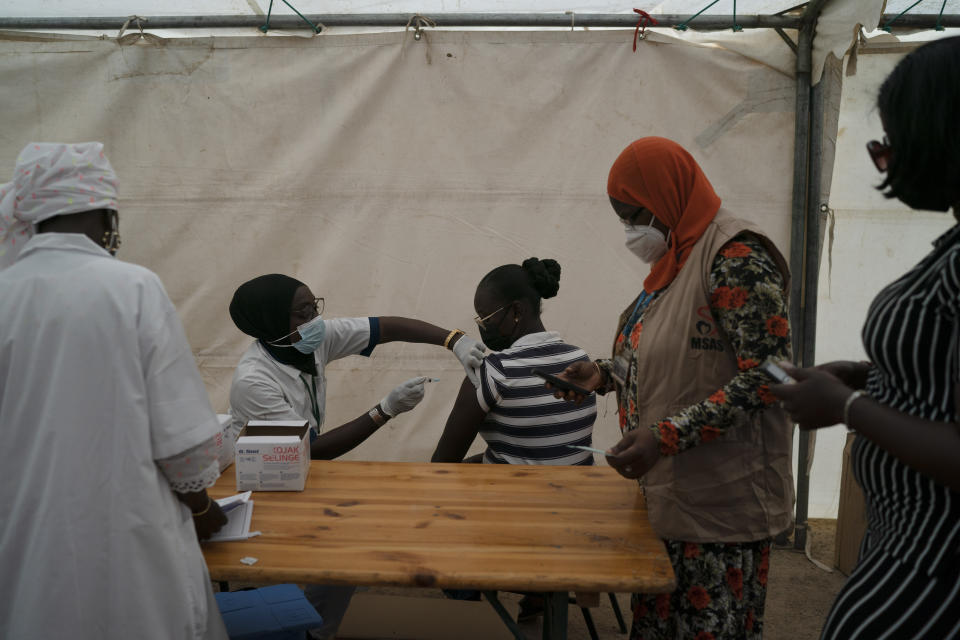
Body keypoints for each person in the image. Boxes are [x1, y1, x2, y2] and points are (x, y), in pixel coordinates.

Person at [554, 137, 794, 639]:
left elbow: (770, 378)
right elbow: (666, 357)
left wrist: (665, 436)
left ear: (666, 197)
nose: (629, 230)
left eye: (634, 215)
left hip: (719, 510)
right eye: (621, 218)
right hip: (671, 499)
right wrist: (601, 375)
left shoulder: (737, 257)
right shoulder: (676, 263)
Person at [771, 37, 960, 640]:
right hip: (907, 549)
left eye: (891, 140)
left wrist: (849, 407)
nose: (883, 158)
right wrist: (870, 377)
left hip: (937, 576)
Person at [0, 143, 228, 639]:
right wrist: (204, 508)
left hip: (26, 537)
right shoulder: (132, 287)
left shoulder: (5, 292)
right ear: (108, 214)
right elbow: (182, 443)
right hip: (127, 534)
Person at [227, 274, 485, 639]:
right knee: (340, 552)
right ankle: (311, 629)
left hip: (299, 471)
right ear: (270, 321)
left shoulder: (306, 340)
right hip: (266, 484)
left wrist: (453, 340)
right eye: (302, 311)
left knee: (346, 551)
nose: (315, 319)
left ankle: (314, 625)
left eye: (314, 306)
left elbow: (385, 327)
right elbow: (312, 452)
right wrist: (385, 410)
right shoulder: (255, 380)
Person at [431, 257, 597, 466]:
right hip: (581, 491)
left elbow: (443, 462)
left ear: (517, 311)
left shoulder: (492, 372)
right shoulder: (581, 360)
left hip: (517, 496)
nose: (483, 327)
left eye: (486, 318)